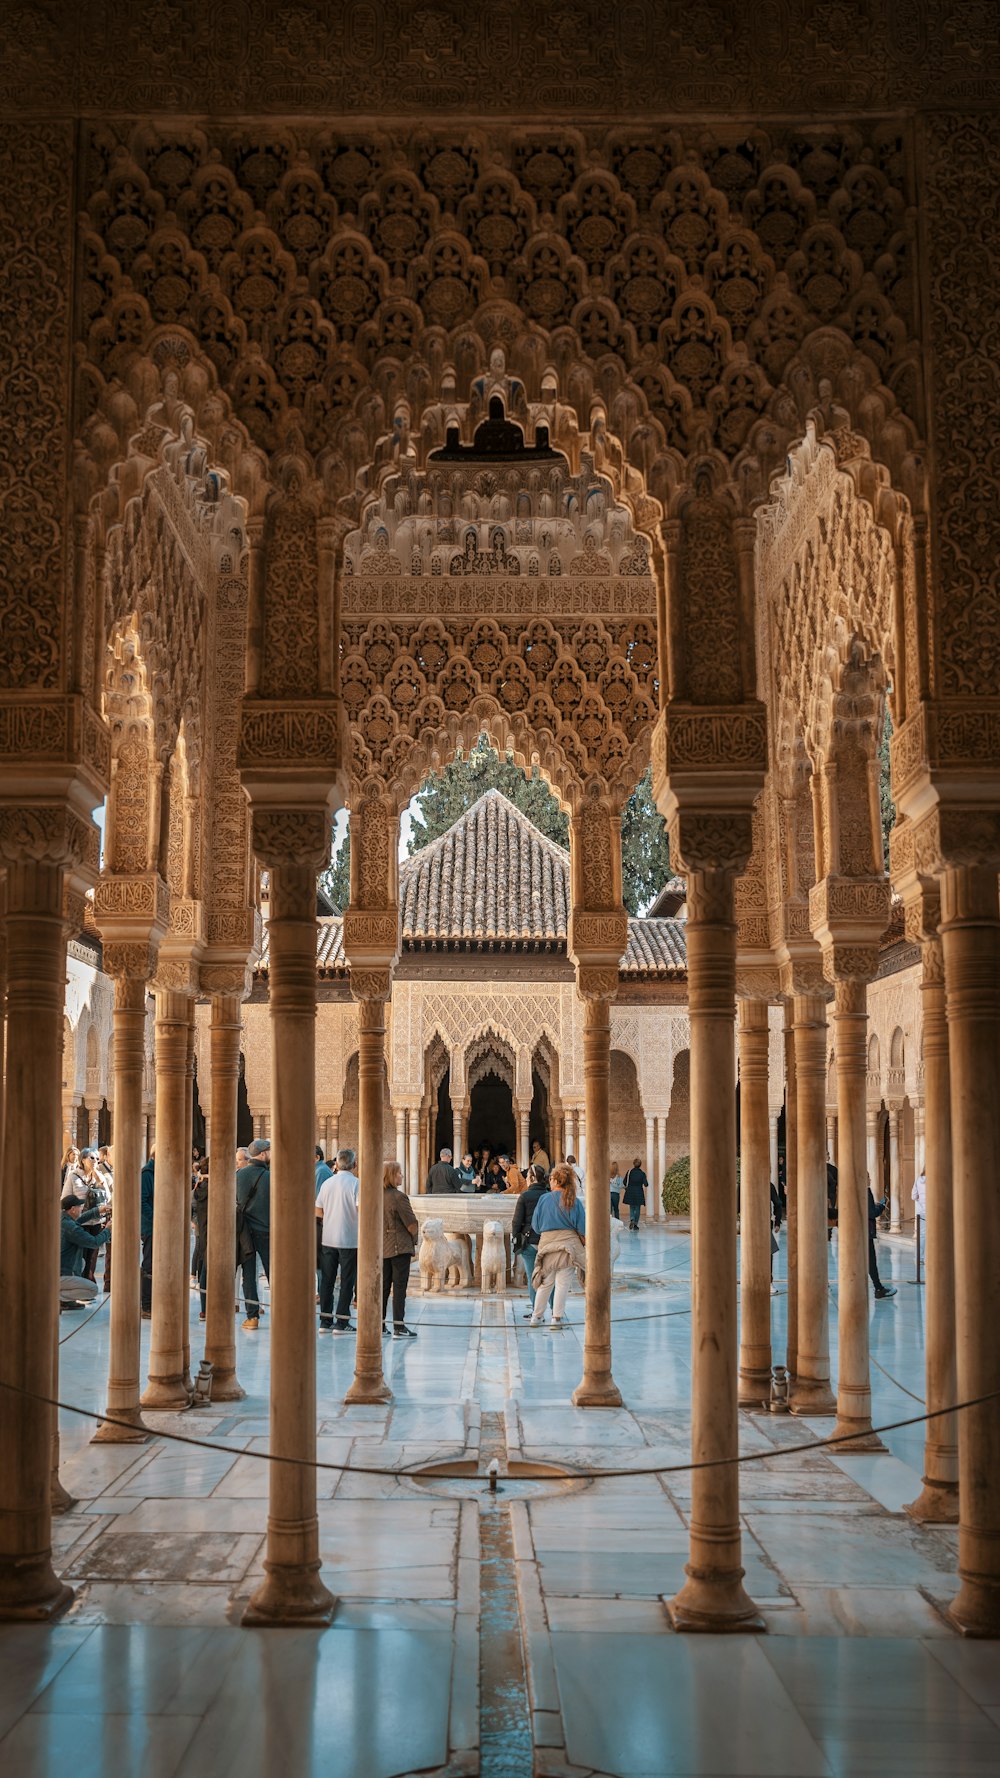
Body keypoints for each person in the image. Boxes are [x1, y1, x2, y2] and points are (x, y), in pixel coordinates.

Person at [528, 1163, 586, 1329]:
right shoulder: (573, 1200)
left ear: (555, 1180)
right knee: (563, 1283)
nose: (550, 1181)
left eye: (551, 1178)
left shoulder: (544, 1199)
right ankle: (556, 1319)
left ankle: (536, 1317)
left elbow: (536, 1226)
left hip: (547, 1246)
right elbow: (582, 1226)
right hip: (569, 1247)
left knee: (546, 1282)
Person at [315, 1146, 360, 1332]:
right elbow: (361, 1210)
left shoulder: (328, 1183)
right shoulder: (356, 1184)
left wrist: (331, 1219)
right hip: (349, 1238)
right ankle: (341, 1322)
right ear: (354, 1164)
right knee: (347, 1281)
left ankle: (325, 1321)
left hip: (328, 1238)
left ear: (336, 1164)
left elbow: (318, 1210)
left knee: (327, 1280)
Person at [236, 1137, 271, 1330]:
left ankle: (252, 1317)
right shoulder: (270, 1176)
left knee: (248, 1275)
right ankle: (284, 1313)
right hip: (266, 1231)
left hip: (245, 1233)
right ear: (264, 1153)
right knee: (273, 1273)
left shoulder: (239, 1175)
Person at [382, 1160, 419, 1337]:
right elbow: (411, 1223)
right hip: (398, 1247)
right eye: (399, 1173)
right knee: (398, 1288)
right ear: (391, 1175)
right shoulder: (398, 1197)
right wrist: (415, 1238)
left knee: (382, 1287)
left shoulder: (375, 1194)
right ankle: (399, 1326)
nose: (401, 1175)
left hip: (381, 1246)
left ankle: (379, 1325)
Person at [60, 1194, 111, 1308]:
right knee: (92, 1290)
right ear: (73, 1209)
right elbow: (94, 1242)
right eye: (80, 1206)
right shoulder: (71, 1228)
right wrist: (108, 1230)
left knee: (81, 1262)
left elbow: (80, 1219)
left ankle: (65, 1300)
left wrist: (97, 1211)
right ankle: (58, 1296)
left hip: (58, 1271)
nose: (81, 1208)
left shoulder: (63, 1219)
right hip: (62, 1274)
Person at [512, 1162, 548, 1317]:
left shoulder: (525, 1196)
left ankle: (536, 1311)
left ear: (532, 1178)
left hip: (529, 1241)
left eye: (527, 1176)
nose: (526, 1179)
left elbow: (517, 1221)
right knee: (548, 1278)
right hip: (547, 1241)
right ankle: (554, 1312)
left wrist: (515, 1237)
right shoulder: (549, 1195)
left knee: (532, 1277)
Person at [868, 1178, 897, 1299]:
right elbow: (871, 1213)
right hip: (866, 1231)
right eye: (868, 1178)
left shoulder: (852, 1191)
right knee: (871, 1262)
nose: (870, 1180)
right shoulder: (866, 1190)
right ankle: (879, 1289)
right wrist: (882, 1206)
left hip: (855, 1232)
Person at [191, 1162, 209, 1319]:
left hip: (203, 1232)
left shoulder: (198, 1189)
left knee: (205, 1268)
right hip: (217, 1233)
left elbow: (191, 1208)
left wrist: (197, 1223)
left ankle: (204, 1309)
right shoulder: (220, 1187)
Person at [140, 1145, 155, 1318]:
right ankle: (146, 1305)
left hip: (161, 1226)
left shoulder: (158, 1172)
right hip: (151, 1227)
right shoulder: (147, 1174)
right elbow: (142, 1201)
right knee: (150, 1264)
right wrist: (157, 1219)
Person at [622, 1157, 648, 1230]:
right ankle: (635, 1224)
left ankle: (632, 1219)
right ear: (640, 1165)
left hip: (630, 1192)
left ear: (633, 1164)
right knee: (638, 1208)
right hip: (639, 1192)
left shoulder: (629, 1172)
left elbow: (624, 1182)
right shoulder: (642, 1173)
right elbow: (646, 1184)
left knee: (632, 1207)